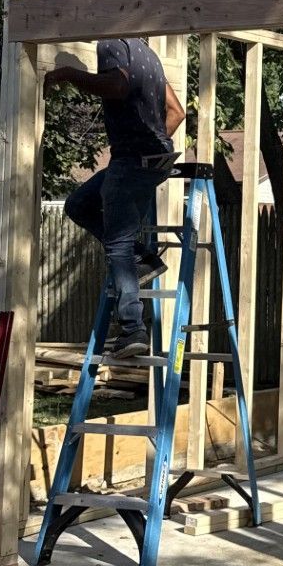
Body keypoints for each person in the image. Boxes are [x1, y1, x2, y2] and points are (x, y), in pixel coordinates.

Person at [44, 39, 186, 359]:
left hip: (131, 161)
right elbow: (177, 113)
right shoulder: (147, 54)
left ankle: (132, 328)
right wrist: (150, 143)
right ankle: (143, 259)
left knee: (117, 244)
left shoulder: (112, 43)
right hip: (156, 161)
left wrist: (68, 74)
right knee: (78, 204)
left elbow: (117, 86)